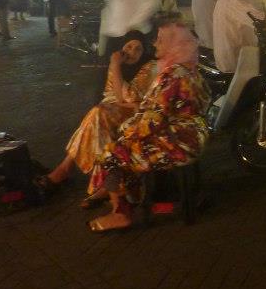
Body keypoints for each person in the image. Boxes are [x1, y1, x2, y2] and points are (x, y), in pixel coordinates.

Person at [87, 23, 209, 232]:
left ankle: (121, 213)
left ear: (174, 46)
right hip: (194, 135)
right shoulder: (191, 71)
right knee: (125, 146)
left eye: (161, 40)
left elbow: (152, 121)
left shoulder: (171, 75)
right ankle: (130, 197)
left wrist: (126, 132)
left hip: (178, 143)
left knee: (110, 154)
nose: (155, 44)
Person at [36, 31, 156, 206]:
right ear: (121, 47)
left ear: (144, 52)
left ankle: (65, 169)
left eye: (138, 49)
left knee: (98, 114)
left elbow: (127, 97)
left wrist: (115, 66)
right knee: (98, 120)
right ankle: (103, 184)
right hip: (111, 110)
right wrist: (116, 70)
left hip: (134, 113)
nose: (132, 52)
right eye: (129, 46)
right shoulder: (117, 64)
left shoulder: (148, 67)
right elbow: (110, 95)